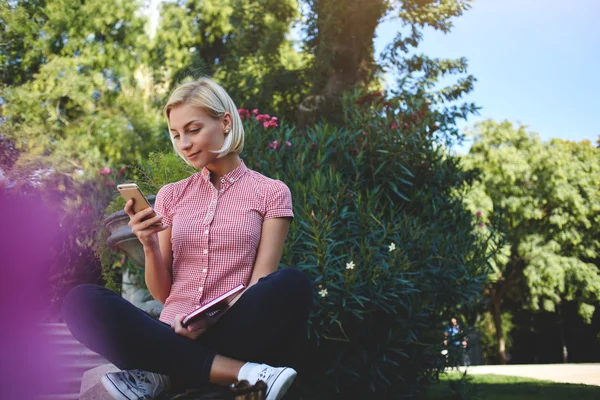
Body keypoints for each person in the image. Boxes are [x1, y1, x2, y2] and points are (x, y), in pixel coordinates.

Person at [62, 77, 314, 400]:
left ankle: (163, 374)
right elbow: (163, 293)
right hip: (167, 332)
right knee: (80, 302)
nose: (183, 144)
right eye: (176, 134)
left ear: (225, 122)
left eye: (193, 130)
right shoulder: (171, 196)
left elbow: (260, 282)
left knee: (293, 284)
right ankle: (239, 372)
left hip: (228, 329)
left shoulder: (271, 192)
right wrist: (149, 245)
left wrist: (208, 320)